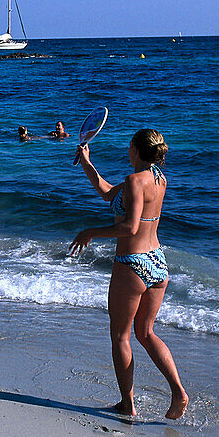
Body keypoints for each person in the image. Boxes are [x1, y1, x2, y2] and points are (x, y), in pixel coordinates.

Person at [70, 129, 188, 420]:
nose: (127, 148)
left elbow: (129, 228)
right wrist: (87, 162)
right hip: (157, 261)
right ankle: (178, 392)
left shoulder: (135, 181)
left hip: (132, 264)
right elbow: (111, 195)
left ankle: (127, 404)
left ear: (135, 150)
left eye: (130, 145)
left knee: (121, 336)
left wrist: (90, 232)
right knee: (145, 333)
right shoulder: (159, 178)